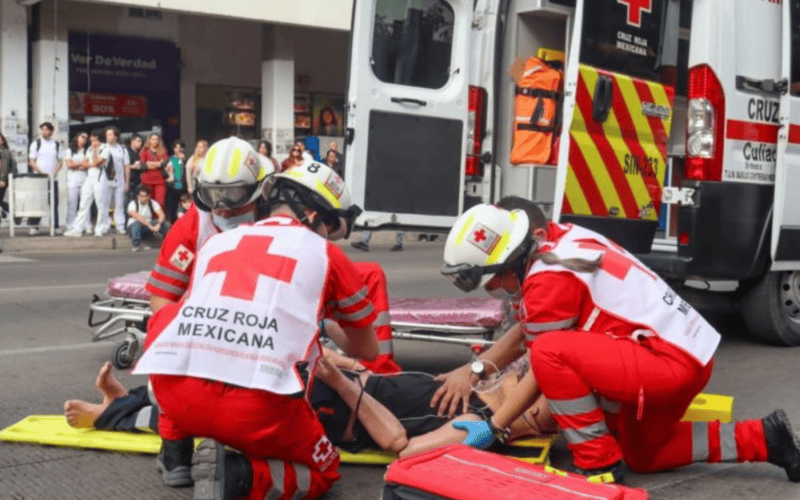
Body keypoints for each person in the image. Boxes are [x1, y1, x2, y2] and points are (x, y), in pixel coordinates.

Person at [439, 202, 800, 484]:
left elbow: (541, 367)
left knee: (550, 353)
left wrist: (494, 426)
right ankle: (766, 437)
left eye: (493, 281)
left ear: (506, 264)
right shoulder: (559, 240)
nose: (496, 289)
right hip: (690, 354)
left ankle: (598, 463)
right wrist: (475, 369)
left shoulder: (547, 282)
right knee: (646, 455)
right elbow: (528, 325)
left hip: (666, 362)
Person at [133, 160, 380, 500]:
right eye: (329, 225)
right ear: (311, 214)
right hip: (257, 410)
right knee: (325, 470)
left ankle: (175, 452)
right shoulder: (326, 255)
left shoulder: (217, 244)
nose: (329, 235)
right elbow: (368, 351)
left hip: (177, 398)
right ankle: (241, 476)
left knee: (178, 324)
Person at [66, 349, 555, 459]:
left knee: (216, 410)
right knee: (222, 370)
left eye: (528, 380)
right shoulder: (478, 387)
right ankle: (124, 397)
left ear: (532, 412)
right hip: (342, 383)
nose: (521, 371)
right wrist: (335, 358)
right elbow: (531, 338)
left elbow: (399, 445)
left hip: (331, 410)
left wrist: (343, 382)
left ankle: (109, 414)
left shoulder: (480, 425)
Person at [64, 129, 109, 238]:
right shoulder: (88, 148)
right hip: (89, 178)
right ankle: (77, 229)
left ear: (98, 138)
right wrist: (90, 163)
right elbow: (86, 163)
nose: (91, 139)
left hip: (100, 178)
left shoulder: (105, 148)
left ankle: (99, 229)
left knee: (100, 204)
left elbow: (98, 162)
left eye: (93, 137)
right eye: (91, 137)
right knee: (83, 203)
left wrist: (94, 151)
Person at [27, 122, 63, 235]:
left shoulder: (56, 145)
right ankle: (34, 226)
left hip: (53, 179)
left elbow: (60, 161)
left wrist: (55, 172)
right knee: (38, 202)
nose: (44, 132)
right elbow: (31, 161)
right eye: (42, 129)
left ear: (51, 131)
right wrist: (40, 172)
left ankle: (55, 226)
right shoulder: (36, 143)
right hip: (39, 178)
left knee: (53, 203)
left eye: (46, 129)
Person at [100, 126, 132, 235]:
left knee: (119, 204)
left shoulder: (122, 149)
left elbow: (127, 166)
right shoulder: (103, 148)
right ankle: (104, 226)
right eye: (106, 134)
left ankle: (120, 225)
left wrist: (127, 182)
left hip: (119, 180)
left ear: (116, 136)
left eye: (110, 134)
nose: (107, 137)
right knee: (105, 204)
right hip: (105, 180)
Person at [63, 132, 91, 233]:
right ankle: (70, 225)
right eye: (82, 137)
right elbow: (69, 165)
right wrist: (81, 164)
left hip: (85, 179)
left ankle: (86, 225)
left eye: (86, 138)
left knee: (85, 203)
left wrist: (76, 164)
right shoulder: (69, 150)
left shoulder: (88, 151)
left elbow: (88, 165)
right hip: (72, 179)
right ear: (77, 137)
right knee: (72, 203)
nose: (84, 139)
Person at [127, 185, 169, 252]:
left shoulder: (152, 203)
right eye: (142, 196)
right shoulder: (133, 203)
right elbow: (137, 216)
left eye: (146, 196)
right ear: (138, 196)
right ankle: (135, 245)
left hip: (147, 227)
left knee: (164, 223)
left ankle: (170, 242)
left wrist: (158, 224)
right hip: (133, 228)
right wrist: (150, 226)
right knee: (137, 223)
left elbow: (161, 214)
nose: (144, 198)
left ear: (149, 196)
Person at [139, 133, 168, 207]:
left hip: (160, 181)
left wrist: (150, 163)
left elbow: (164, 164)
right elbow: (143, 165)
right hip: (147, 181)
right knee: (148, 202)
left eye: (157, 139)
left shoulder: (163, 151)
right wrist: (158, 164)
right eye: (153, 139)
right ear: (149, 140)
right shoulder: (144, 151)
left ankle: (159, 218)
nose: (155, 141)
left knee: (160, 202)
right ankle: (149, 218)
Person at [164, 140, 187, 222]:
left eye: (180, 147)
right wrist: (166, 172)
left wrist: (184, 159)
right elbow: (164, 171)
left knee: (182, 205)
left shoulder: (186, 159)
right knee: (171, 205)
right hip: (171, 185)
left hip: (181, 186)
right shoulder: (170, 158)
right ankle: (170, 222)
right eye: (176, 147)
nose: (178, 149)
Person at [0, 132, 18, 220]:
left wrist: (2, 179)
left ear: (2, 141)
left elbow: (5, 166)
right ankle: (11, 213)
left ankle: (11, 213)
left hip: (2, 180)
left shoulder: (5, 151)